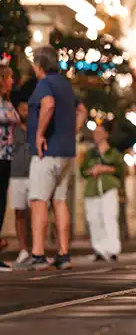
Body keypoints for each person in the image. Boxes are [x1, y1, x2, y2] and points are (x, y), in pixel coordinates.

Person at [23, 45, 87, 271]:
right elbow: (82, 110)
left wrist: (40, 134)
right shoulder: (65, 84)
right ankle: (63, 253)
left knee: (38, 200)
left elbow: (48, 104)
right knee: (59, 201)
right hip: (66, 152)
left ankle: (38, 254)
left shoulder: (45, 83)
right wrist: (71, 132)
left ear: (39, 64)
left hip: (47, 152)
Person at [80, 121, 124, 262]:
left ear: (106, 134)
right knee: (94, 219)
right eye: (95, 132)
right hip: (92, 190)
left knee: (109, 217)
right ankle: (99, 249)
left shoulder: (114, 153)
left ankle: (112, 249)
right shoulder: (90, 154)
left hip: (108, 188)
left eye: (99, 132)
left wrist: (104, 169)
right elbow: (82, 171)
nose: (96, 135)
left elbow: (120, 170)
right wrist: (92, 171)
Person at [8, 96, 32, 267]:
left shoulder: (37, 127)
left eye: (28, 109)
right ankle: (23, 249)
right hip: (16, 174)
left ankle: (37, 248)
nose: (26, 112)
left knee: (36, 211)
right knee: (20, 212)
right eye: (23, 109)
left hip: (34, 174)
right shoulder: (12, 128)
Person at [0, 64, 19, 269]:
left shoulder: (6, 101)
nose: (12, 81)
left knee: (1, 203)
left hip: (6, 157)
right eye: (9, 77)